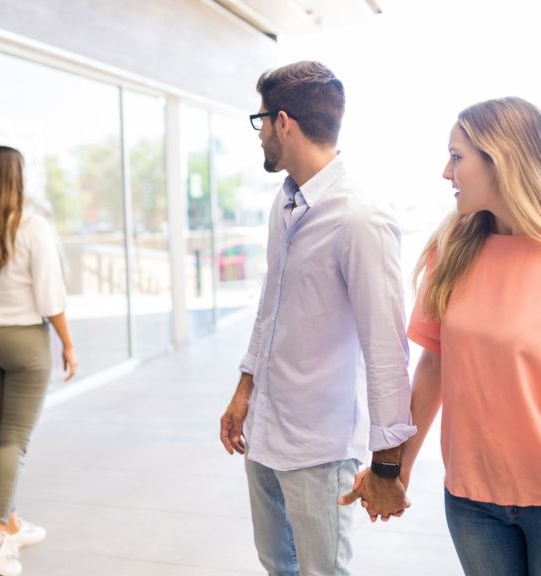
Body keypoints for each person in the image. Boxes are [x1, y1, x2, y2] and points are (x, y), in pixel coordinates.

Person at [401, 97, 541, 576]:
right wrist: (397, 469)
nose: (447, 172)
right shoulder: (450, 249)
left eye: (457, 156)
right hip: (471, 502)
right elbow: (434, 366)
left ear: (500, 159)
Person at [219, 61, 416, 576]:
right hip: (264, 429)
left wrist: (388, 465)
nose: (259, 133)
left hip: (318, 446)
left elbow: (386, 351)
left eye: (260, 121)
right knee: (276, 563)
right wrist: (245, 388)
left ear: (284, 122)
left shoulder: (361, 218)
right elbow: (271, 305)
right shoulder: (284, 204)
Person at [0, 145, 77, 576]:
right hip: (25, 343)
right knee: (14, 441)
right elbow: (50, 296)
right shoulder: (31, 227)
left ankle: (10, 521)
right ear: (17, 178)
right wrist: (67, 343)